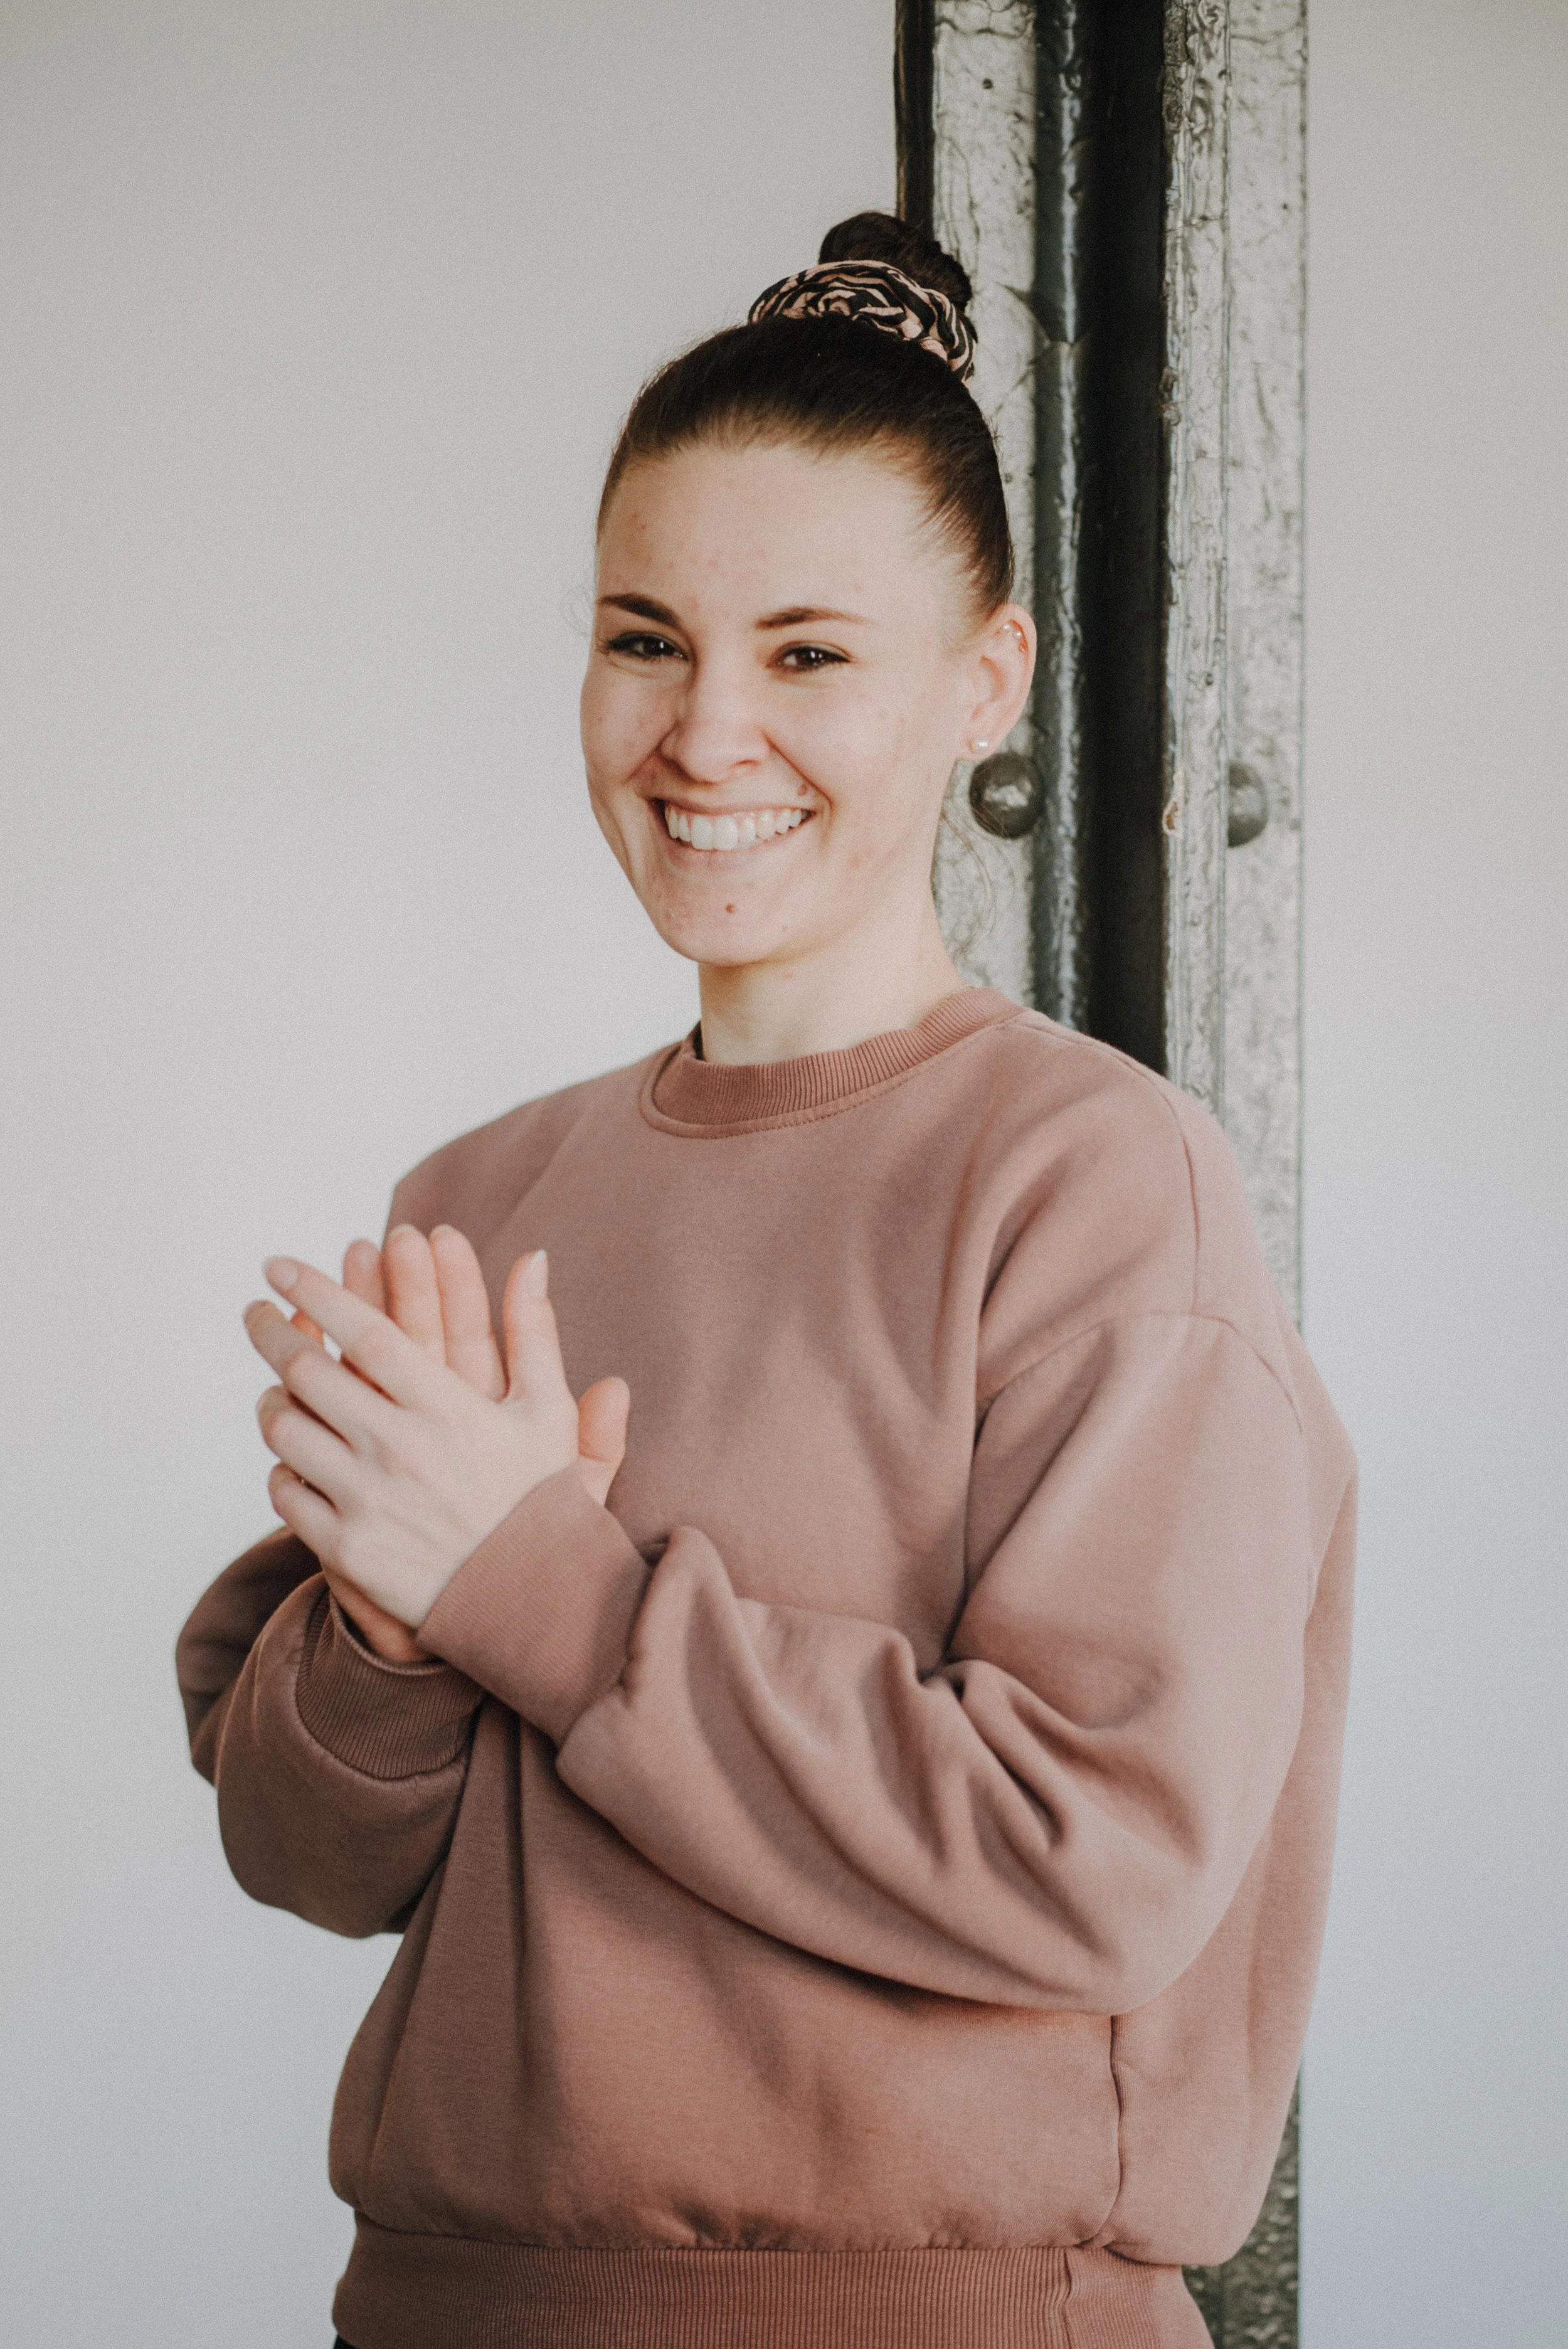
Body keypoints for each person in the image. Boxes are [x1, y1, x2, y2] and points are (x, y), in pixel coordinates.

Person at [176, 213, 1355, 2349]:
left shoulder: (1091, 1184)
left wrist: (535, 1585)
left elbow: (1092, 1856)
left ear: (982, 680)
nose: (704, 732)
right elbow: (309, 1858)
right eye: (646, 639)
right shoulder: (483, 1193)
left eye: (808, 655)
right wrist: (385, 1631)